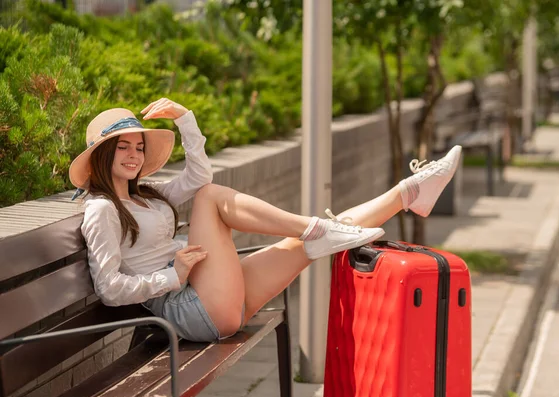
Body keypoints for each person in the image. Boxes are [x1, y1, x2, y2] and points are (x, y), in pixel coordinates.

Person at [69, 98, 462, 342]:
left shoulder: (146, 196)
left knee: (305, 245)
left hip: (209, 298)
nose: (134, 155)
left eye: (138, 147)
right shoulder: (102, 210)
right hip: (186, 308)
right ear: (103, 155)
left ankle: (408, 193)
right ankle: (316, 226)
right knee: (210, 199)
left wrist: (186, 119)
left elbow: (198, 174)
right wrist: (172, 277)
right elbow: (109, 288)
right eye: (123, 147)